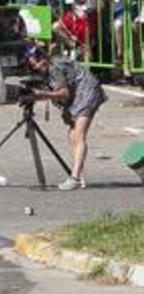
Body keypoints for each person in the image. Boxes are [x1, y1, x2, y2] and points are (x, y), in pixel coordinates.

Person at [23, 45, 105, 190]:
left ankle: (74, 178)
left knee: (79, 134)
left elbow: (64, 93)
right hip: (78, 94)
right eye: (32, 64)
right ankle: (79, 175)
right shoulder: (51, 67)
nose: (36, 66)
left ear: (44, 58)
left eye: (37, 62)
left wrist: (41, 95)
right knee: (72, 135)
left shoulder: (55, 68)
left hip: (87, 92)